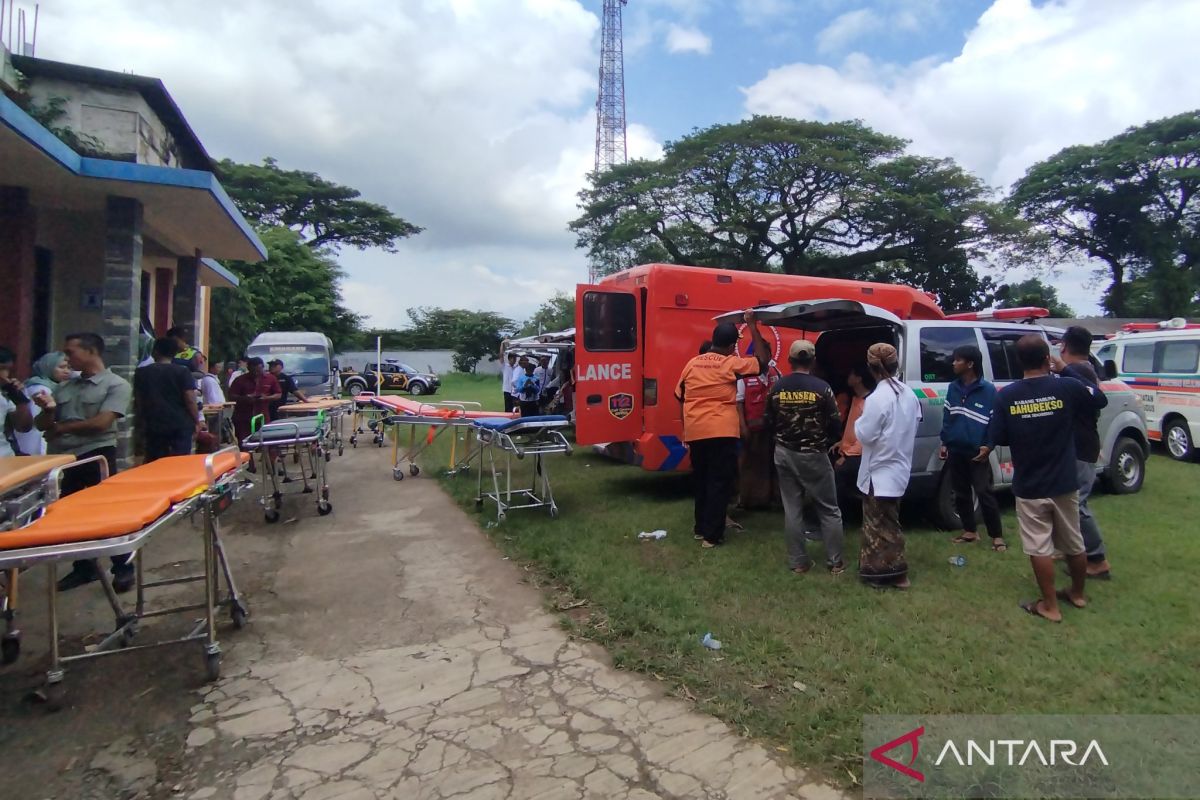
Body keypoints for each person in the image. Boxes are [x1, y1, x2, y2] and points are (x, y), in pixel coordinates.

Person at [985, 334, 1107, 623]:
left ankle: (1049, 605)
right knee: (1074, 542)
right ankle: (1077, 594)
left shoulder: (1006, 395)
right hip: (1064, 480)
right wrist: (1064, 368)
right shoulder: (1065, 386)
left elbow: (998, 436)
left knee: (1038, 545)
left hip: (1030, 483)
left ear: (1018, 362)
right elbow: (1098, 398)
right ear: (1046, 359)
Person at [32, 333, 134, 591]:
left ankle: (122, 567)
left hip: (96, 454)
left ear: (91, 352)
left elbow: (102, 423)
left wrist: (63, 428)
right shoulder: (65, 387)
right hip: (65, 459)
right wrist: (49, 412)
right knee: (71, 514)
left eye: (72, 352)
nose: (68, 358)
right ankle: (84, 567)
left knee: (107, 513)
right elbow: (41, 425)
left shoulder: (115, 385)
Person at [675, 313, 768, 548]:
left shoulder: (691, 363)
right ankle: (712, 536)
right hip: (721, 431)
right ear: (731, 346)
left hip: (696, 431)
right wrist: (752, 326)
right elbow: (762, 361)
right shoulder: (729, 363)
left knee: (702, 481)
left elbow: (679, 395)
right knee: (719, 483)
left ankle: (700, 528)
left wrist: (688, 422)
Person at [766, 339, 844, 574]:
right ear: (813, 361)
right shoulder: (823, 388)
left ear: (790, 361)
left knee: (793, 509)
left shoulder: (778, 387)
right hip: (814, 455)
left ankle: (798, 562)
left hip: (784, 453)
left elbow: (768, 419)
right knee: (829, 509)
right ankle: (835, 562)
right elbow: (834, 423)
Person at [854, 343, 921, 588]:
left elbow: (866, 435)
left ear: (871, 368)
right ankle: (893, 573)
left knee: (878, 526)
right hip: (899, 468)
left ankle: (885, 574)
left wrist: (859, 421)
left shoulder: (876, 398)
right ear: (896, 365)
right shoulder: (909, 394)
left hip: (879, 472)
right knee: (889, 521)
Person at [1054, 326, 1113, 579]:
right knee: (1066, 502)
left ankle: (1097, 559)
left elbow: (1095, 399)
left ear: (1065, 346)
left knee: (1077, 504)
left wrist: (1063, 371)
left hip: (1079, 447)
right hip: (1080, 445)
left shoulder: (1077, 371)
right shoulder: (1086, 369)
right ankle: (1070, 549)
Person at [940, 345, 1006, 552]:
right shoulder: (953, 387)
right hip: (955, 448)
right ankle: (970, 531)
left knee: (983, 491)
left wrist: (988, 445)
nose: (953, 363)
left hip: (978, 451)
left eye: (958, 360)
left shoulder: (988, 391)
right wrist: (944, 441)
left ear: (970, 364)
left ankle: (996, 536)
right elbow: (947, 415)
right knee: (960, 492)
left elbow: (995, 422)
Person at [134, 337, 201, 461]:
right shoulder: (182, 372)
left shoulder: (141, 373)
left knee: (155, 462)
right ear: (175, 353)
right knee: (179, 461)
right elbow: (190, 399)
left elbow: (139, 401)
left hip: (154, 424)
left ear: (155, 352)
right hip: (180, 424)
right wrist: (197, 421)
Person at [736, 349, 781, 510]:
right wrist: (743, 427)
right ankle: (749, 499)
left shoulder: (776, 373)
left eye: (765, 354)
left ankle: (773, 497)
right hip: (752, 428)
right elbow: (738, 403)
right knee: (751, 464)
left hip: (772, 428)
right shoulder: (745, 377)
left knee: (773, 464)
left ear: (769, 356)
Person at [831, 362, 874, 516]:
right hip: (848, 449)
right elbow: (852, 430)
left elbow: (865, 438)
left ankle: (835, 515)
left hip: (858, 454)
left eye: (851, 374)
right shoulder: (855, 399)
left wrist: (846, 456)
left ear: (858, 379)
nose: (847, 377)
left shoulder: (869, 403)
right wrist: (841, 443)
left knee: (839, 472)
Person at [15, 351, 71, 457]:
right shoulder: (41, 388)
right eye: (62, 367)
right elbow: (36, 423)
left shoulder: (55, 387)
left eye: (69, 367)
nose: (67, 371)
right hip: (34, 445)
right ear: (48, 367)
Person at [228, 357, 282, 451]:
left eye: (258, 370)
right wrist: (245, 398)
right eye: (254, 371)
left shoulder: (270, 378)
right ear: (249, 368)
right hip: (243, 417)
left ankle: (271, 464)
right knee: (245, 443)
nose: (256, 373)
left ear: (262, 368)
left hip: (262, 416)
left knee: (269, 442)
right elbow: (231, 396)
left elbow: (278, 394)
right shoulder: (240, 380)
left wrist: (267, 398)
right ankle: (249, 465)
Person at [0, 346, 35, 457]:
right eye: (1, 369)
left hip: (5, 456)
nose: (4, 375)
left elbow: (23, 427)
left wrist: (19, 398)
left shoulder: (5, 394)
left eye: (8, 370)